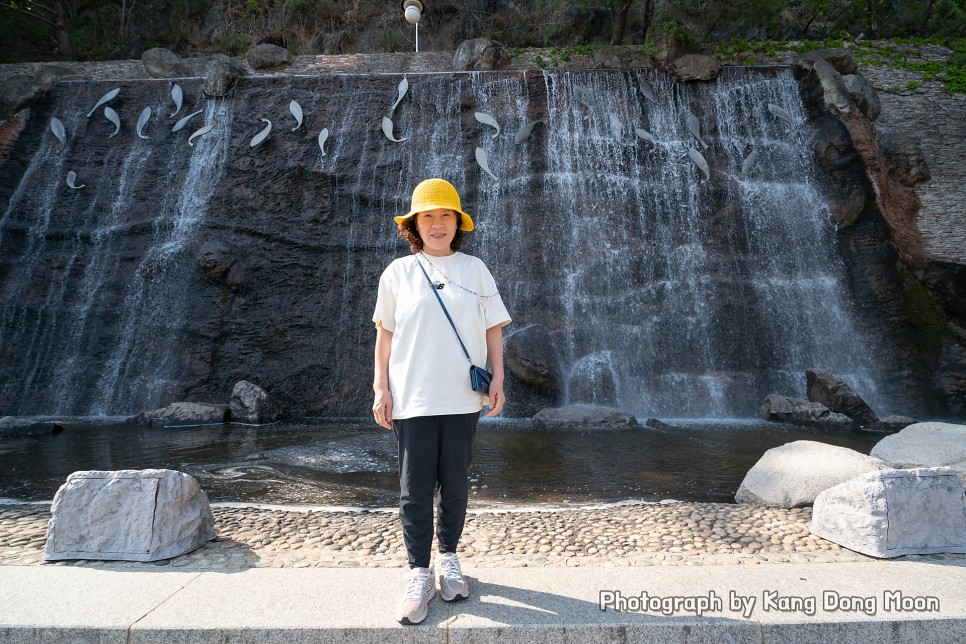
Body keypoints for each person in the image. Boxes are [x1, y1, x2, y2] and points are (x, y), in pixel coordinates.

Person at [372, 178, 511, 625]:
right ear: (415, 225)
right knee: (414, 490)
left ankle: (449, 558)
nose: (437, 224)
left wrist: (498, 380)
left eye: (445, 215)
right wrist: (381, 388)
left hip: (462, 397)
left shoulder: (475, 270)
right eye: (428, 216)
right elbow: (385, 335)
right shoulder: (397, 273)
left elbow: (493, 329)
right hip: (412, 396)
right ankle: (419, 572)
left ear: (457, 223)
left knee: (454, 483)